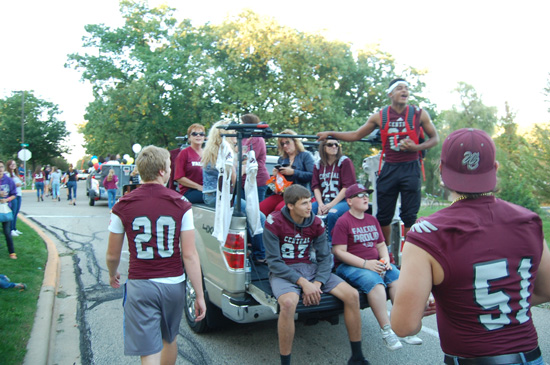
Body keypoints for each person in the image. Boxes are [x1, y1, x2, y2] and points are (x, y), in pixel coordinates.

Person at [391, 128, 550, 364]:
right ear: (495, 168)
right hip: (530, 357)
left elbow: (404, 326)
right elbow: (545, 290)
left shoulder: (427, 234)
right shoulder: (529, 221)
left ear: (442, 171)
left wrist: (461, 306)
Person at [106, 145, 206, 365]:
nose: (171, 170)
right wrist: (199, 294)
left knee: (148, 349)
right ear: (162, 170)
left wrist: (112, 273)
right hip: (173, 284)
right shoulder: (181, 204)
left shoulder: (122, 205)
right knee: (169, 339)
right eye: (169, 166)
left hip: (141, 283)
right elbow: (189, 255)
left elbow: (112, 255)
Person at [317, 78, 439, 247]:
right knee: (383, 216)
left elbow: (435, 138)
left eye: (406, 88)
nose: (404, 91)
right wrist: (331, 134)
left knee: (410, 215)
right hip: (389, 168)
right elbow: (356, 135)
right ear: (390, 94)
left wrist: (416, 146)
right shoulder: (380, 116)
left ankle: (410, 252)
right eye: (400, 88)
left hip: (411, 168)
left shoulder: (419, 113)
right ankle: (387, 253)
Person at [263, 184, 370, 365]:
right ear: (290, 205)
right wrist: (303, 283)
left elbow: (324, 258)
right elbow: (274, 262)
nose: (309, 207)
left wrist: (318, 283)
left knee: (352, 295)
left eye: (310, 201)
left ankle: (357, 356)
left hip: (309, 267)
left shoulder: (316, 221)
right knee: (288, 303)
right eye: (304, 203)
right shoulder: (274, 221)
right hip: (283, 271)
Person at [332, 183, 422, 351]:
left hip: (376, 263)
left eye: (367, 194)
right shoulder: (343, 222)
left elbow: (381, 245)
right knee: (375, 283)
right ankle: (387, 331)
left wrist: (385, 259)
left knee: (397, 279)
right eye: (360, 195)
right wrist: (366, 264)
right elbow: (338, 252)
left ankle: (403, 327)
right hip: (351, 266)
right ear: (349, 201)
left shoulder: (372, 219)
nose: (366, 197)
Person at [202, 121, 266, 262]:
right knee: (259, 217)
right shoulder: (226, 151)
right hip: (219, 197)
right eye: (234, 133)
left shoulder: (211, 151)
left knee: (247, 216)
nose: (236, 135)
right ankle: (261, 255)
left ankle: (253, 249)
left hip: (210, 196)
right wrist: (243, 166)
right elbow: (233, 179)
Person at [260, 129, 314, 216]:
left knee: (279, 210)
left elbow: (312, 175)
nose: (285, 146)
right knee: (261, 208)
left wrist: (293, 172)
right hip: (283, 194)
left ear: (295, 142)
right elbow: (277, 183)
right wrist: (276, 176)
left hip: (300, 195)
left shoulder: (305, 155)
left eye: (287, 142)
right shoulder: (281, 159)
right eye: (282, 144)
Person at [311, 139, 356, 241]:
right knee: (307, 211)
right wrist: (321, 204)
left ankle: (332, 245)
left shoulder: (345, 162)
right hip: (323, 200)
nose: (334, 147)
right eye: (330, 145)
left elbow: (347, 187)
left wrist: (330, 205)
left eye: (336, 144)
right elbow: (315, 187)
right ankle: (311, 243)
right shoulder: (318, 164)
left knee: (333, 214)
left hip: (344, 201)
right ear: (323, 147)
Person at [240, 114, 270, 202]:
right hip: (245, 181)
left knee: (255, 212)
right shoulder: (244, 139)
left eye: (242, 123)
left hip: (257, 181)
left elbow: (247, 160)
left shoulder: (257, 139)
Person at [174, 123, 205, 203]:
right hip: (189, 191)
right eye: (194, 134)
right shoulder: (184, 153)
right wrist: (198, 187)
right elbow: (179, 177)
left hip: (206, 190)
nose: (198, 136)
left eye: (201, 134)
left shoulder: (207, 154)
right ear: (189, 137)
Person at [0, 161, 18, 259]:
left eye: (1, 167)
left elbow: (14, 194)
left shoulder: (9, 180)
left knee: (7, 231)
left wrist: (6, 199)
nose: (0, 169)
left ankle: (12, 252)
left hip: (5, 209)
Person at [6, 160, 23, 236]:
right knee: (13, 212)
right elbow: (8, 185)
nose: (13, 165)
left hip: (19, 194)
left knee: (16, 212)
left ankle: (14, 228)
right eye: (11, 164)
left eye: (14, 164)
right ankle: (11, 229)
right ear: (8, 165)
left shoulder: (15, 174)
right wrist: (17, 184)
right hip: (13, 195)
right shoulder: (8, 174)